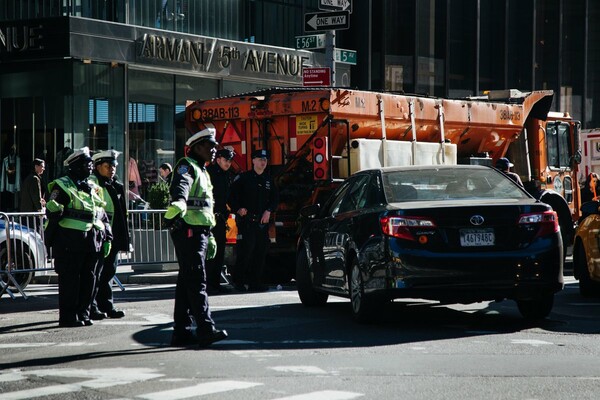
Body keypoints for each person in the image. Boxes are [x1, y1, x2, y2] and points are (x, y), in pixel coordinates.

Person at [164, 127, 228, 347]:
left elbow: (204, 206)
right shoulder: (187, 166)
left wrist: (208, 234)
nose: (214, 151)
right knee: (197, 281)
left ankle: (180, 332)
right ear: (197, 147)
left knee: (186, 283)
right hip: (189, 231)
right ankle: (205, 328)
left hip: (198, 231)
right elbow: (181, 187)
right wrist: (179, 202)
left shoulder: (202, 169)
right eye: (210, 146)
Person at [45, 147, 112, 328]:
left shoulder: (93, 187)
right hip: (69, 241)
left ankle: (83, 312)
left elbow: (102, 213)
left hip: (92, 241)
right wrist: (52, 208)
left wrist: (108, 237)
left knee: (89, 281)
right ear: (74, 166)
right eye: (86, 164)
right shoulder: (62, 184)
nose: (90, 167)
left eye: (90, 163)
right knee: (70, 282)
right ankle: (68, 317)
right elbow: (52, 206)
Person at [228, 149, 279, 292]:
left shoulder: (269, 180)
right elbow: (231, 195)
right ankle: (238, 282)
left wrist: (269, 211)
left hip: (262, 224)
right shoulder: (244, 178)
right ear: (253, 161)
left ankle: (255, 283)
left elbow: (275, 199)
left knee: (260, 252)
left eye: (265, 160)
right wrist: (238, 208)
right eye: (260, 160)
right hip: (247, 221)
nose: (263, 163)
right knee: (245, 252)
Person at [89, 150, 129, 320]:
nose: (112, 169)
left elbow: (121, 216)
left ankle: (107, 306)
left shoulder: (115, 185)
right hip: (97, 237)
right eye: (108, 166)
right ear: (98, 167)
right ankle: (92, 307)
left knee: (108, 273)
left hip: (111, 237)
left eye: (114, 165)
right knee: (95, 274)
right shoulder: (93, 183)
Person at [206, 148, 235, 294]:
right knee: (210, 252)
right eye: (226, 160)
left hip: (221, 218)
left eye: (230, 161)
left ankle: (215, 283)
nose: (228, 163)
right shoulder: (209, 173)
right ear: (218, 159)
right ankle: (209, 284)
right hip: (210, 218)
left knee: (219, 252)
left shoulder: (226, 175)